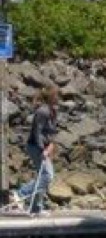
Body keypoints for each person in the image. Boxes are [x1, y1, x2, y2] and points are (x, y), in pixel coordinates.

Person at [16, 85, 58, 215]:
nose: (58, 98)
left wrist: (51, 146)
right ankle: (21, 192)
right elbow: (37, 132)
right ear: (51, 97)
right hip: (35, 147)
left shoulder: (52, 111)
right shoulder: (42, 111)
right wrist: (42, 149)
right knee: (47, 175)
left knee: (43, 175)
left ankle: (36, 207)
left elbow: (51, 132)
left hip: (45, 147)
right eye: (56, 95)